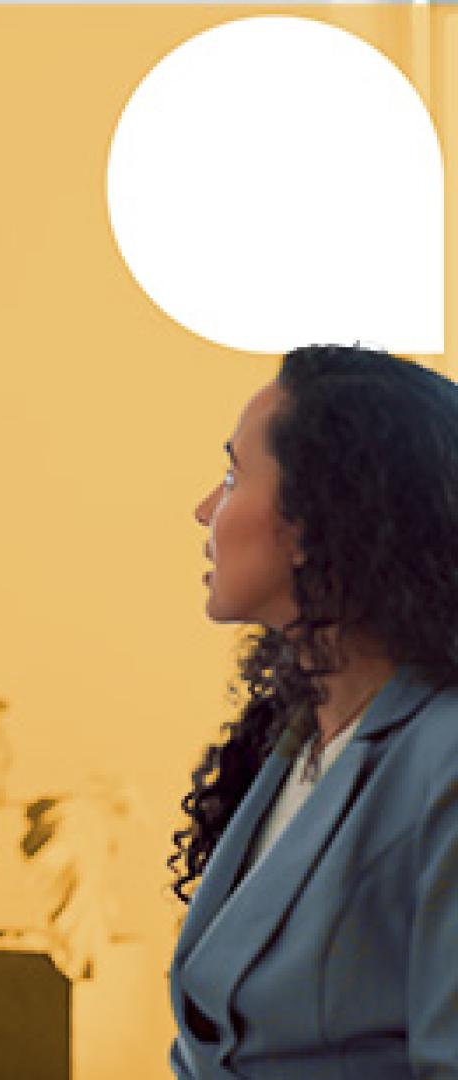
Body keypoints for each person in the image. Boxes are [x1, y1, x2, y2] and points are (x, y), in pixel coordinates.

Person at [168, 345, 458, 1077]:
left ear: (317, 519)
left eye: (233, 475)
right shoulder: (289, 740)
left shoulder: (445, 757)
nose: (206, 508)